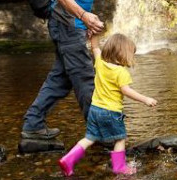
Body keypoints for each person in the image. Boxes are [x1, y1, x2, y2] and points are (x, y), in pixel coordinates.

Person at [21, 0, 118, 140]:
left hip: (70, 24)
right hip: (67, 25)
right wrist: (84, 17)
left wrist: (86, 20)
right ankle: (102, 133)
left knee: (61, 78)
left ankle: (33, 124)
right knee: (85, 76)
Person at [58, 33, 158, 176]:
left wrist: (94, 35)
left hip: (95, 109)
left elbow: (95, 47)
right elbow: (126, 91)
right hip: (111, 112)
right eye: (131, 54)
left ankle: (68, 159)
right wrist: (145, 99)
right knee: (120, 138)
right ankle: (119, 167)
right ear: (122, 54)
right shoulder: (121, 72)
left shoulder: (100, 62)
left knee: (90, 137)